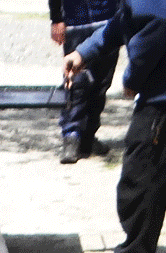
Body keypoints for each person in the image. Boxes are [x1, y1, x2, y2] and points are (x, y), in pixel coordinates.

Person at [66, 0, 166, 253]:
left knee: (142, 176)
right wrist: (86, 51)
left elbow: (158, 19)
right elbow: (126, 19)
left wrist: (134, 77)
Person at [49, 0, 118, 163]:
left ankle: (88, 137)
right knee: (76, 83)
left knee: (102, 84)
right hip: (76, 21)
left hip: (108, 19)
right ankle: (71, 137)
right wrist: (57, 19)